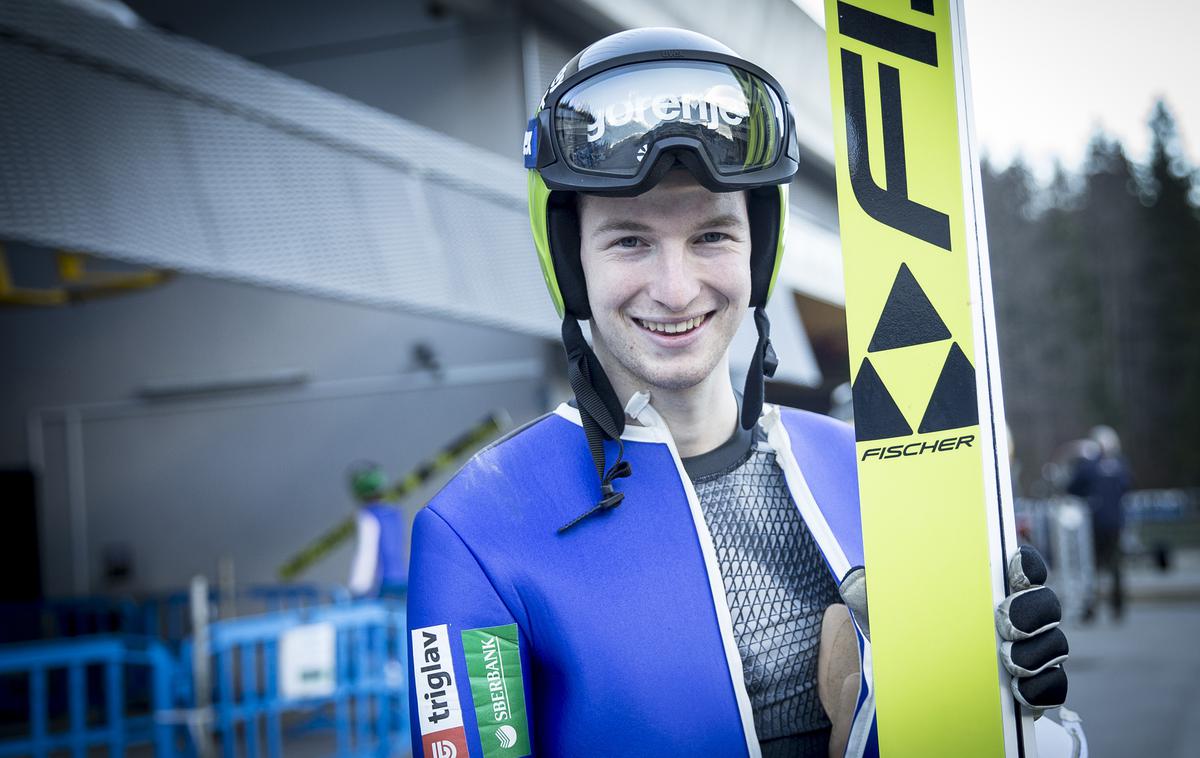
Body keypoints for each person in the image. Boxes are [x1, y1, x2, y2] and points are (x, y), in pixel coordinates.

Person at [407, 28, 1072, 757]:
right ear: (571, 264)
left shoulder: (875, 472)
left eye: (712, 237)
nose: (675, 288)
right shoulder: (479, 531)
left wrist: (1018, 733)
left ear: (759, 249)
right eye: (629, 241)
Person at [1068, 425, 1131, 621]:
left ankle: (1091, 609)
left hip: (1095, 523)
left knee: (1092, 567)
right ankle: (1118, 607)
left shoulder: (1089, 466)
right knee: (1115, 566)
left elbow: (1072, 487)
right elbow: (1127, 486)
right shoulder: (1121, 465)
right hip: (1116, 523)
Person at [345, 462, 407, 598]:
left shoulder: (366, 517)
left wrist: (356, 590)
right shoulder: (394, 513)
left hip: (381, 589)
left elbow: (366, 552)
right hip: (401, 582)